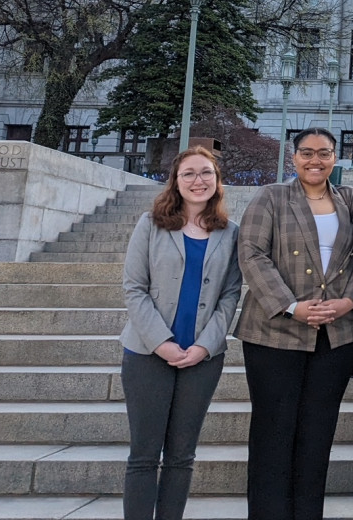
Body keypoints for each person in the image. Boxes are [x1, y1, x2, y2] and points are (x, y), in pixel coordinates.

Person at [235, 128, 353, 519]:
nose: (315, 160)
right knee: (272, 433)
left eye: (324, 153)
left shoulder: (351, 200)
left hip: (336, 335)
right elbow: (253, 254)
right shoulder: (272, 197)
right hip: (274, 333)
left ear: (335, 157)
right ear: (293, 157)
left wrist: (350, 300)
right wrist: (291, 306)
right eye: (307, 153)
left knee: (317, 435)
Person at [119, 146, 242, 520]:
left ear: (217, 181)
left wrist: (206, 346)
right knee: (144, 454)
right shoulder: (150, 224)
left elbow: (231, 294)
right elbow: (134, 287)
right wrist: (161, 343)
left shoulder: (231, 232)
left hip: (202, 359)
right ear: (175, 180)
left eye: (206, 173)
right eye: (188, 173)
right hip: (147, 355)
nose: (198, 180)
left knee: (181, 456)